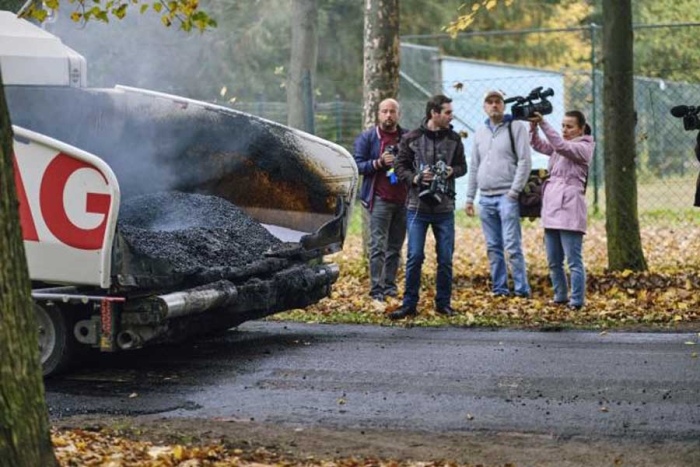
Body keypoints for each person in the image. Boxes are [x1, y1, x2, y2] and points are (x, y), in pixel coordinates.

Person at [389, 95, 467, 319]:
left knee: (445, 258)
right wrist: (415, 178)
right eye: (448, 112)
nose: (451, 116)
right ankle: (409, 304)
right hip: (417, 207)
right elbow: (399, 166)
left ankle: (443, 304)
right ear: (434, 113)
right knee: (414, 256)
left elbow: (463, 166)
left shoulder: (454, 139)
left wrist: (452, 171)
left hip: (444, 209)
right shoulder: (411, 138)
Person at [465, 90, 532, 298]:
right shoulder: (479, 132)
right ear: (484, 106)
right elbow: (474, 165)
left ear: (503, 105)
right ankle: (500, 289)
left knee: (512, 245)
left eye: (498, 102)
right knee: (493, 247)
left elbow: (524, 161)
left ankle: (521, 291)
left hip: (507, 196)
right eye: (489, 102)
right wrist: (470, 197)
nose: (494, 105)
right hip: (485, 198)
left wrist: (514, 191)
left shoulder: (516, 128)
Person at [528, 110, 595, 310]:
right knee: (553, 259)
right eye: (563, 126)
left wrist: (543, 123)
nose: (565, 130)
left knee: (573, 261)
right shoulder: (561, 146)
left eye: (570, 126)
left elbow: (560, 145)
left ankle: (577, 300)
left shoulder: (583, 147)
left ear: (581, 129)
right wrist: (533, 127)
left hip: (570, 208)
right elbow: (539, 145)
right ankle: (560, 296)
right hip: (551, 208)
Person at [353, 98, 408, 301]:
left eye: (392, 111)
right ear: (378, 114)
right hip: (379, 200)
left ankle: (390, 287)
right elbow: (357, 166)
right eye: (384, 111)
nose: (388, 115)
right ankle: (376, 289)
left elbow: (416, 162)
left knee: (395, 247)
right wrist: (378, 162)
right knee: (378, 246)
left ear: (398, 114)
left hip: (403, 200)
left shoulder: (407, 137)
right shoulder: (368, 138)